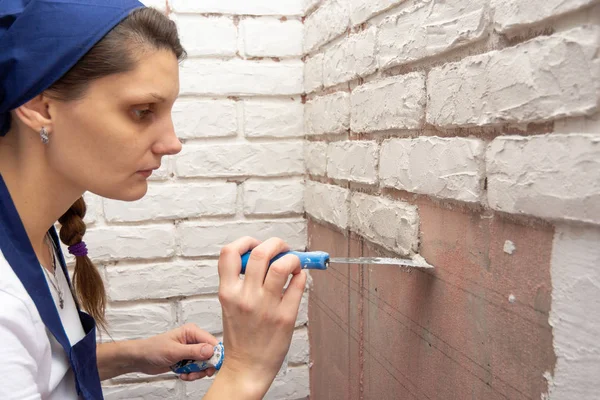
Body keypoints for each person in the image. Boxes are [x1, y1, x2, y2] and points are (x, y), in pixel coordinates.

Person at [0, 1, 307, 399]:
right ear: (40, 108)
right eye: (143, 111)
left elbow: (38, 368)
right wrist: (246, 371)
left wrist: (133, 355)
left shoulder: (35, 235)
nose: (173, 143)